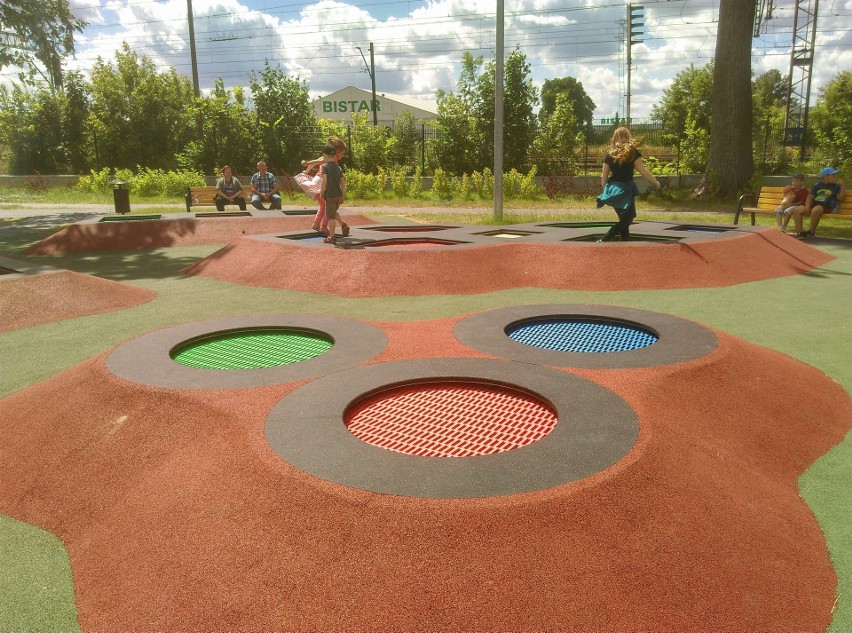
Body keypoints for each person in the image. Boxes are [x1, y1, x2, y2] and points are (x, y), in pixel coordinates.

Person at [595, 127, 660, 241]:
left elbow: (604, 176)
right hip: (625, 190)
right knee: (627, 220)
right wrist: (655, 182)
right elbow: (643, 171)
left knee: (624, 219)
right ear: (628, 137)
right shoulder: (633, 153)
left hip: (613, 189)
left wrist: (605, 191)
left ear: (615, 138)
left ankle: (625, 243)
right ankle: (605, 238)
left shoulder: (609, 155)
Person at [294, 136, 348, 233]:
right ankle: (323, 226)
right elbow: (318, 161)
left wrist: (307, 171)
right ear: (337, 151)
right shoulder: (331, 158)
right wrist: (306, 164)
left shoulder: (330, 157)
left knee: (323, 205)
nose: (343, 156)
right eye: (342, 153)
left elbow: (316, 161)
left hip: (322, 181)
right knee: (327, 206)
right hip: (321, 180)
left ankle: (316, 224)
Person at [793, 166, 846, 238]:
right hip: (815, 204)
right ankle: (800, 232)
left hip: (827, 206)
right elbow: (810, 197)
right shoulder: (817, 185)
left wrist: (842, 187)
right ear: (826, 176)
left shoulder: (835, 186)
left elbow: (841, 199)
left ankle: (811, 231)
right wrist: (807, 207)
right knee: (797, 209)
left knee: (816, 209)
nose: (835, 177)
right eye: (833, 175)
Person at [319, 144, 346, 244]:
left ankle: (332, 236)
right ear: (335, 156)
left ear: (325, 155)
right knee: (333, 212)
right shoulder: (338, 168)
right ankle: (343, 225)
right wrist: (343, 195)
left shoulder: (325, 167)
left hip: (330, 195)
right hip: (338, 195)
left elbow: (324, 180)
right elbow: (342, 182)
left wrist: (321, 191)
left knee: (330, 216)